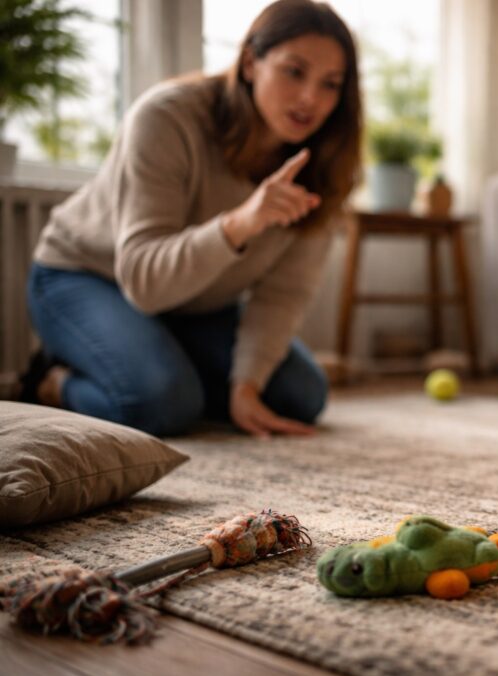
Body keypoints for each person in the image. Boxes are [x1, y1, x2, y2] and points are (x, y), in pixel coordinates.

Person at [23, 0, 362, 437]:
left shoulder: (326, 162)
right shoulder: (166, 117)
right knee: (163, 404)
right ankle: (56, 383)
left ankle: (165, 367)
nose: (310, 99)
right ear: (249, 63)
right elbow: (144, 282)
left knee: (300, 396)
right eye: (294, 71)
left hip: (194, 301)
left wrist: (246, 386)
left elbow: (284, 294)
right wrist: (240, 223)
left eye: (331, 84)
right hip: (85, 277)